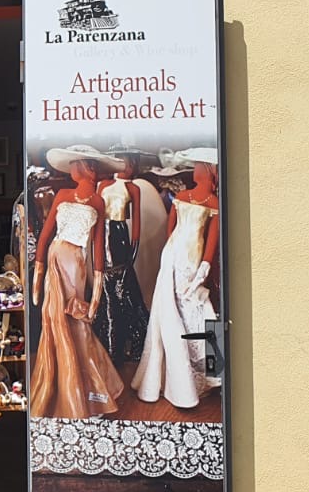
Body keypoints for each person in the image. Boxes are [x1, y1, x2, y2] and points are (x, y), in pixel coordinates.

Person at [29, 146, 126, 419]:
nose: (89, 171)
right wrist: (38, 274)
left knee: (77, 320)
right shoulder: (62, 194)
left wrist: (96, 294)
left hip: (76, 263)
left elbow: (98, 247)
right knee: (54, 319)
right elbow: (45, 235)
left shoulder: (98, 202)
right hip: (56, 259)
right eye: (86, 166)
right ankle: (62, 387)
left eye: (90, 166)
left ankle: (87, 392)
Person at [133, 148, 221, 409]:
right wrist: (173, 258)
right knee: (174, 311)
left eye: (198, 166)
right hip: (175, 257)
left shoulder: (212, 202)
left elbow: (210, 240)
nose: (194, 170)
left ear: (207, 171)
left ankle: (209, 374)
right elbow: (171, 231)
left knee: (198, 310)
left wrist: (203, 268)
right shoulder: (183, 197)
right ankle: (189, 378)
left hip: (189, 260)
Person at [95, 147, 152, 365]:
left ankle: (125, 346)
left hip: (119, 235)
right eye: (128, 162)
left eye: (133, 162)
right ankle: (109, 346)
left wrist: (132, 254)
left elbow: (136, 224)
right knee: (107, 289)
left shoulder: (133, 188)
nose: (131, 167)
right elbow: (97, 216)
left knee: (122, 288)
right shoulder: (103, 185)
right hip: (102, 234)